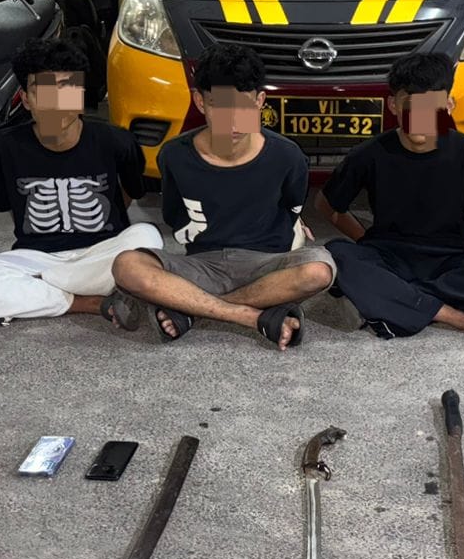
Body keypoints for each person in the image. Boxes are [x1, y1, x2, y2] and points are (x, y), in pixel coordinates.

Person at [111, 44, 335, 350]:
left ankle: (191, 309)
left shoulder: (287, 155)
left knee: (319, 270)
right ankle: (251, 315)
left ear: (260, 102)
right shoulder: (175, 155)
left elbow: (291, 206)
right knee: (127, 265)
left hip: (268, 264)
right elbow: (175, 215)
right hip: (203, 264)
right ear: (200, 102)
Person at [0, 41, 161, 326]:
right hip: (37, 258)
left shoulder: (117, 141)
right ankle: (86, 301)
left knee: (147, 236)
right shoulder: (2, 147)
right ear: (26, 99)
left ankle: (39, 292)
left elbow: (130, 192)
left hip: (103, 255)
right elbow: (8, 205)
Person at [316, 52, 464, 343]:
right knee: (336, 254)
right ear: (393, 104)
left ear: (449, 105)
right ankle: (463, 319)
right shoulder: (369, 154)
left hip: (450, 259)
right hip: (388, 255)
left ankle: (395, 300)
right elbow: (326, 204)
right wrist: (364, 238)